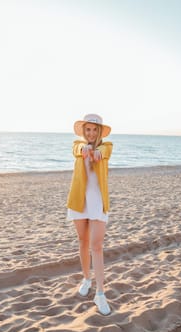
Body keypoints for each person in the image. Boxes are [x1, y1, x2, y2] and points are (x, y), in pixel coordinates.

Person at [67, 114, 113, 315]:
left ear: (100, 132)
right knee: (82, 241)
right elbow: (77, 149)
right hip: (78, 201)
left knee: (97, 246)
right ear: (83, 131)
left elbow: (104, 151)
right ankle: (86, 278)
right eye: (88, 130)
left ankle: (100, 293)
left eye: (95, 130)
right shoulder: (77, 146)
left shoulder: (107, 146)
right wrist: (84, 149)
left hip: (97, 203)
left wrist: (96, 152)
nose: (91, 133)